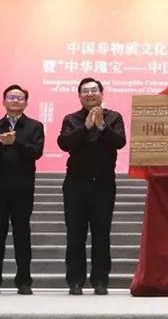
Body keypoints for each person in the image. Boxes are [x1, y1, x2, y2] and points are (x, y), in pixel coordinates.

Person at [57, 77, 126, 295]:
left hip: (104, 184)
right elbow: (64, 143)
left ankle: (100, 281)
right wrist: (85, 127)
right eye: (85, 91)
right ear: (79, 96)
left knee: (101, 234)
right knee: (75, 234)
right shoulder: (71, 119)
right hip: (76, 184)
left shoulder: (114, 117)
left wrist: (102, 126)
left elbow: (120, 142)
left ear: (101, 94)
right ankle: (75, 281)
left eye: (94, 90)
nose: (90, 94)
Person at [0, 85, 44, 295]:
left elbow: (36, 153)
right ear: (4, 101)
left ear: (26, 102)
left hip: (23, 189)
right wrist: (2, 144)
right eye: (11, 97)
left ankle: (24, 281)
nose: (15, 100)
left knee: (22, 235)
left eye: (19, 97)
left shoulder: (35, 126)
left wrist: (16, 142)